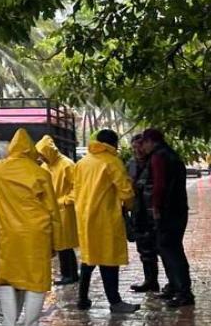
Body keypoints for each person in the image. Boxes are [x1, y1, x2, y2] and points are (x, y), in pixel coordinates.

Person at [0, 128, 62, 326]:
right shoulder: (41, 173)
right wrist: (55, 243)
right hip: (37, 233)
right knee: (37, 280)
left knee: (7, 279)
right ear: (31, 149)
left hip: (9, 234)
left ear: (11, 148)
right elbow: (53, 211)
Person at [73, 129, 138, 313]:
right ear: (113, 144)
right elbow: (126, 191)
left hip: (85, 217)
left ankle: (82, 298)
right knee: (109, 259)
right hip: (106, 218)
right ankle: (115, 302)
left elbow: (75, 189)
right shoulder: (112, 162)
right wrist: (131, 207)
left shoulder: (83, 162)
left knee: (89, 258)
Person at [141, 128, 195, 308]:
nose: (143, 147)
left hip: (168, 210)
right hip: (178, 208)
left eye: (144, 143)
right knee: (168, 249)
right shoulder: (171, 154)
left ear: (150, 141)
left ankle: (183, 292)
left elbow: (159, 185)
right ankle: (174, 286)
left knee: (171, 251)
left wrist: (156, 207)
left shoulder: (159, 157)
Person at [36, 135, 79, 286]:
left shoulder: (67, 165)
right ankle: (69, 274)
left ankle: (70, 274)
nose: (42, 157)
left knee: (65, 244)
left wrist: (67, 201)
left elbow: (77, 187)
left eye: (43, 154)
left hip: (64, 210)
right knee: (60, 244)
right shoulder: (45, 167)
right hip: (52, 210)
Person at [127, 135, 166, 295]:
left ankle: (173, 283)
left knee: (162, 248)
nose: (137, 150)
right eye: (134, 147)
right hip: (138, 210)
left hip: (154, 211)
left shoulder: (155, 161)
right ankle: (150, 281)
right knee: (144, 249)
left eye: (140, 146)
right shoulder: (131, 164)